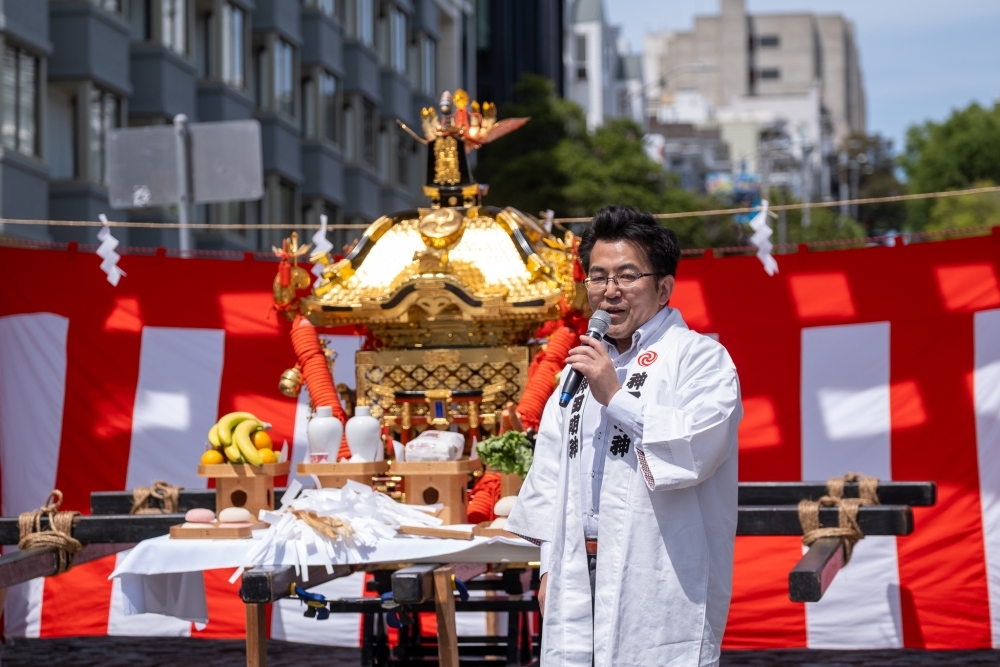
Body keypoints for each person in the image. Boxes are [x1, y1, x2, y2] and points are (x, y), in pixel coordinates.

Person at [506, 205, 742, 667]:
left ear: (663, 288)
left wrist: (615, 395)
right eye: (598, 277)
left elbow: (696, 447)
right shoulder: (577, 372)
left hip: (658, 570)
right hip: (577, 568)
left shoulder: (701, 359)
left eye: (627, 276)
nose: (610, 291)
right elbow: (552, 478)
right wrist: (550, 568)